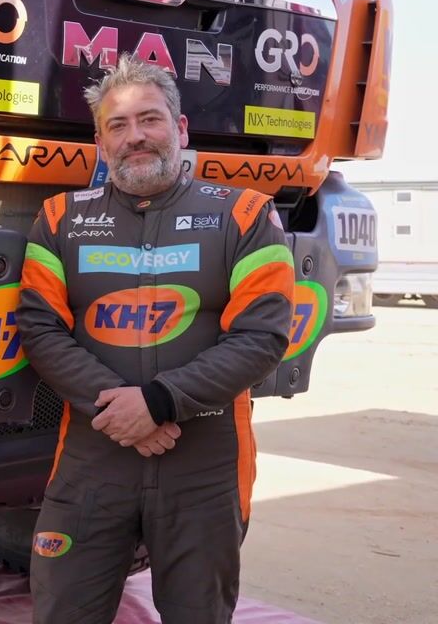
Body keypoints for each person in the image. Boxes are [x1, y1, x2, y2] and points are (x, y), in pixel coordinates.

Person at [17, 53, 296, 623]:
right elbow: (40, 330)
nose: (135, 137)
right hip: (93, 461)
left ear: (180, 128)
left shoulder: (246, 214)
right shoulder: (59, 218)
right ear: (101, 143)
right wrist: (121, 410)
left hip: (206, 467)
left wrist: (158, 402)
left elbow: (262, 336)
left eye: (150, 119)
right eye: (117, 126)